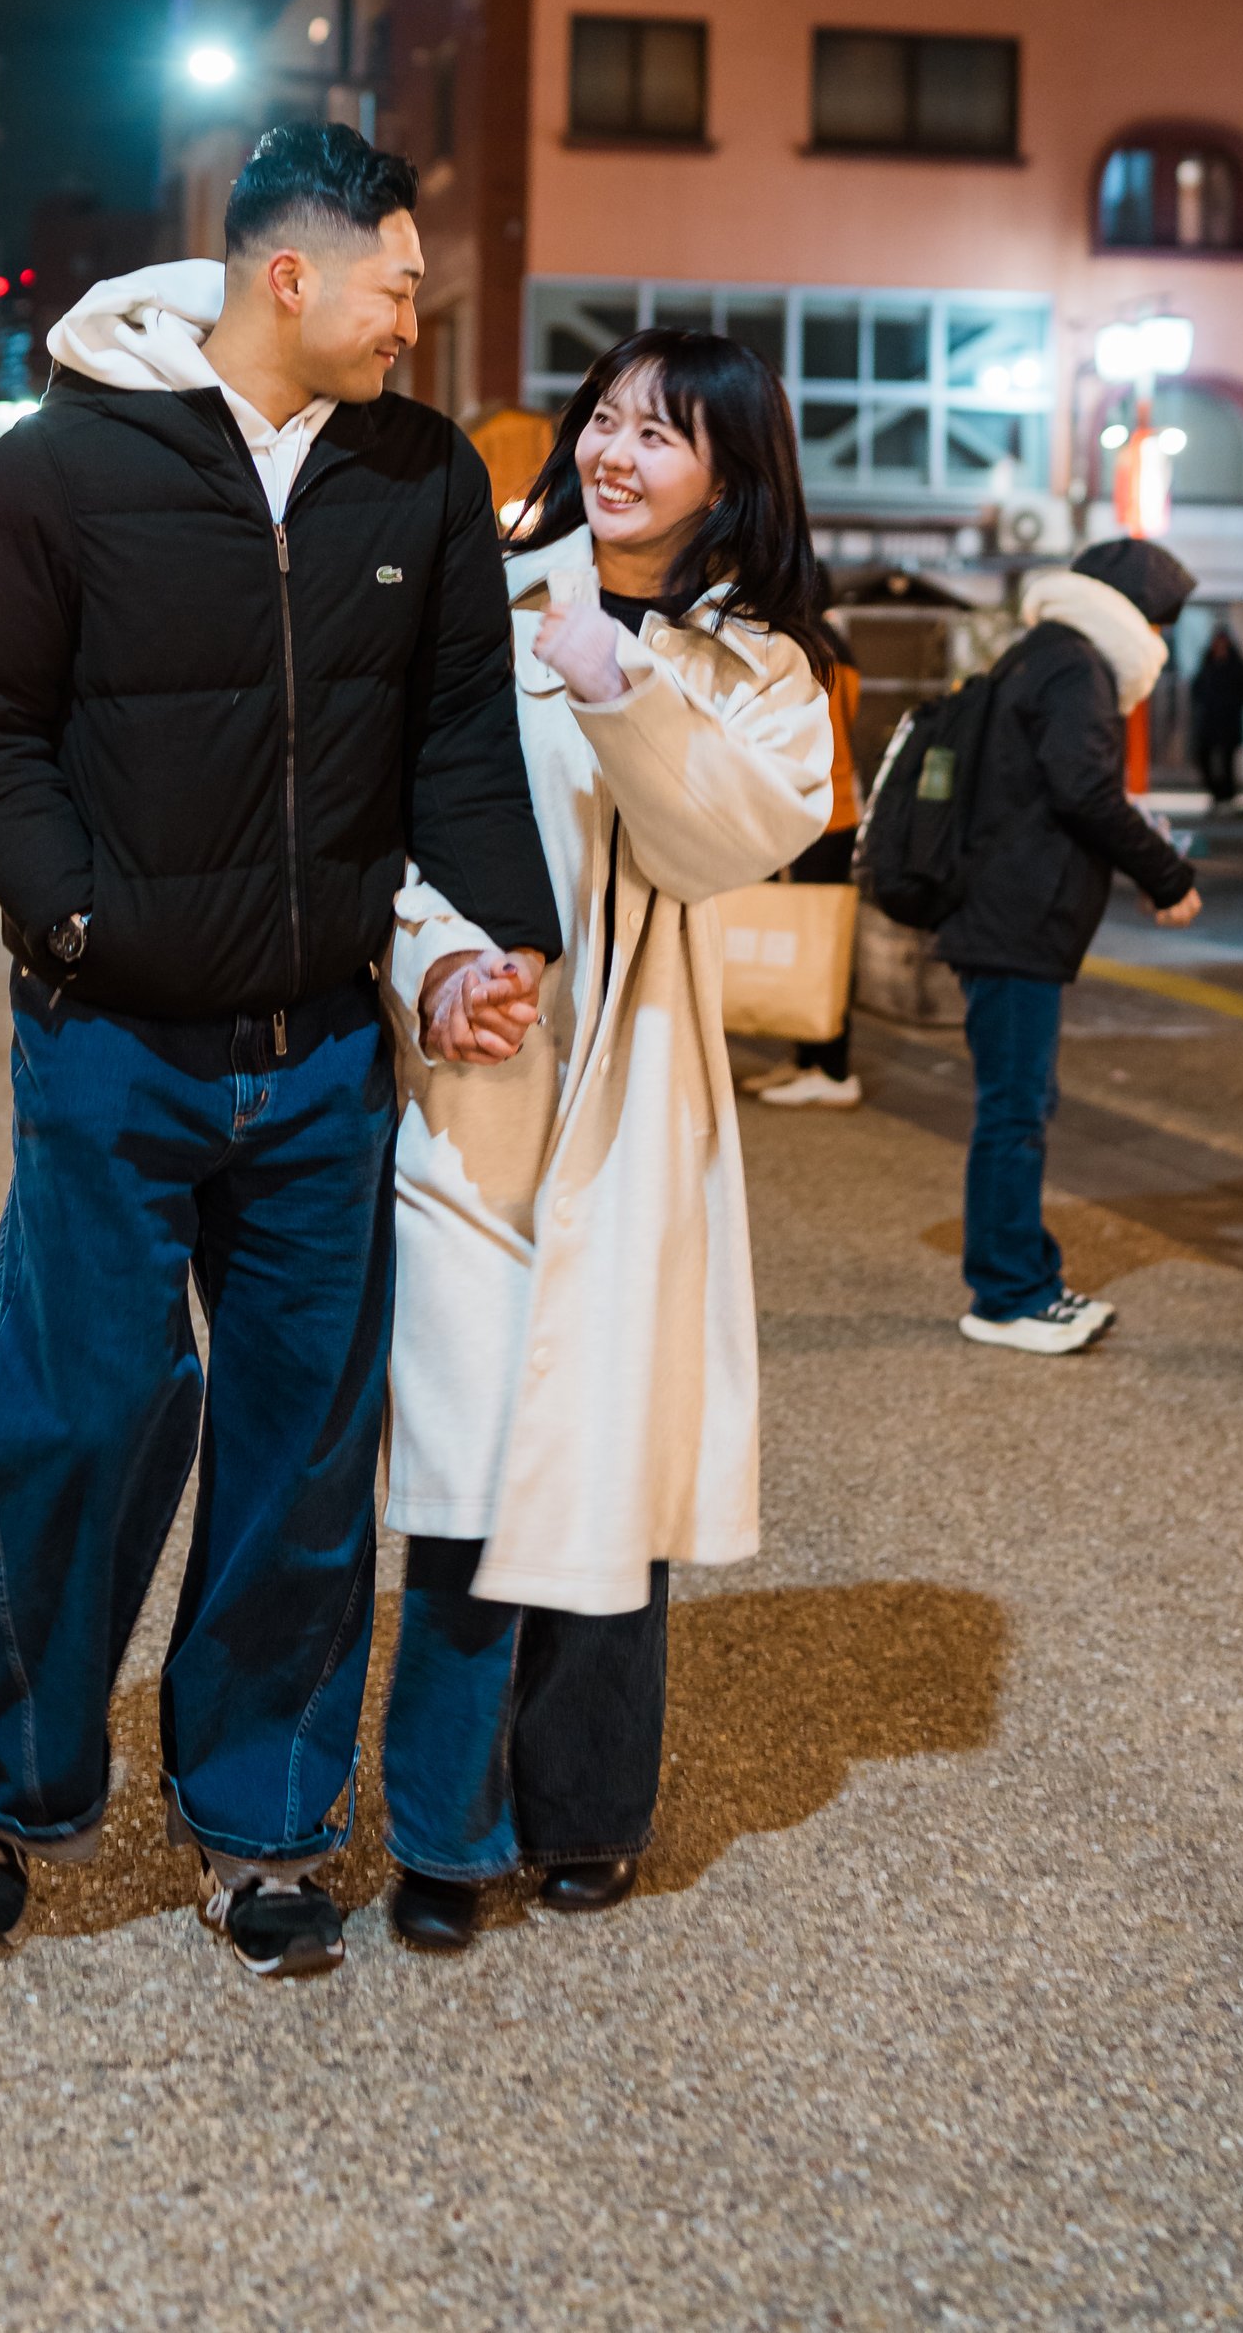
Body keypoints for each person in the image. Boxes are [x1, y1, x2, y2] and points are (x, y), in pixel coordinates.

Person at [0, 123, 559, 1981]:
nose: (414, 324)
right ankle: (0, 1787)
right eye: (397, 289)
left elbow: (455, 742)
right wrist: (80, 919)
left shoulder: (420, 479)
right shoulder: (61, 466)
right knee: (75, 1421)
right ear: (293, 275)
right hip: (111, 1042)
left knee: (301, 1451)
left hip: (324, 1054)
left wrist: (475, 950)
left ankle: (264, 1822)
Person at [372, 329, 837, 1954]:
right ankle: (440, 1830)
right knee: (462, 1467)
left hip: (639, 1099)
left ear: (734, 477)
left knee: (609, 1469)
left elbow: (734, 838)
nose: (618, 453)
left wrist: (620, 685)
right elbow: (390, 818)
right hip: (482, 1089)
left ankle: (585, 1813)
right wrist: (433, 968)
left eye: (665, 434)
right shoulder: (476, 607)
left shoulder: (755, 669)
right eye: (608, 422)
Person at [936, 540, 1204, 1356]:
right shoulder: (1077, 666)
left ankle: (1026, 1278)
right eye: (1162, 624)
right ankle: (1008, 1295)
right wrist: (1166, 873)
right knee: (1014, 1112)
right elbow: (1082, 787)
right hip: (1016, 921)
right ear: (1138, 618)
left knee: (1020, 1107)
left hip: (1002, 914)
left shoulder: (1039, 653)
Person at [755, 595, 865, 1108]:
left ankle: (832, 1068)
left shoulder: (797, 649)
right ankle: (807, 1058)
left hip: (809, 811)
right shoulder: (837, 648)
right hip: (838, 809)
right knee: (816, 934)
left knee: (819, 941)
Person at [1189, 622, 1243, 804]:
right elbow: (1197, 688)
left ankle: (1227, 794)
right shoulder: (1208, 664)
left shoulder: (1236, 666)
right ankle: (1217, 791)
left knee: (1227, 760)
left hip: (1229, 721)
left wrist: (1233, 701)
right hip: (1210, 721)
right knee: (1204, 755)